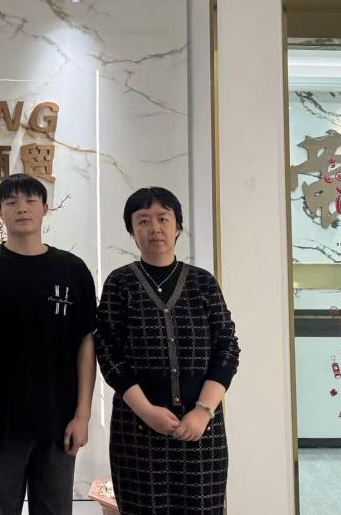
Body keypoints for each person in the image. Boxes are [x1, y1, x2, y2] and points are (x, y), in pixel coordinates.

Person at [0, 173, 97, 515]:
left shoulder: (72, 270)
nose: (21, 208)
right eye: (11, 202)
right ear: (0, 213)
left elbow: (86, 343)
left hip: (59, 422)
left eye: (30, 201)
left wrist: (82, 415)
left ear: (45, 209)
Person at [93, 187, 240, 515]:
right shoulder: (120, 283)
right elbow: (108, 351)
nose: (155, 228)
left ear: (177, 227)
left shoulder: (203, 283)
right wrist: (146, 411)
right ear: (132, 231)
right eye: (143, 221)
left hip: (201, 430)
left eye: (163, 219)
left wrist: (203, 411)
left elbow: (227, 346)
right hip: (137, 430)